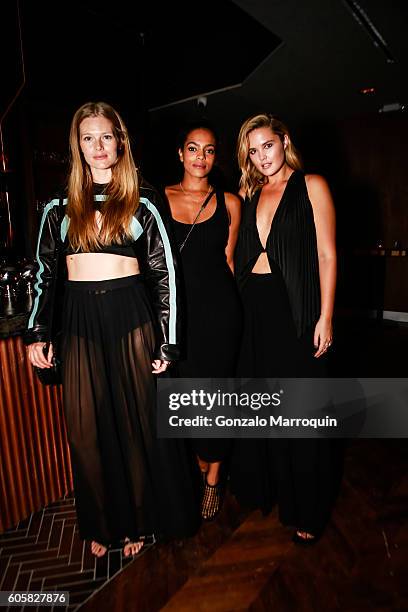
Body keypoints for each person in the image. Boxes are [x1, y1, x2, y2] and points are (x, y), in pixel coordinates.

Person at [25, 101, 199, 558]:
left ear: (120, 142)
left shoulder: (143, 202)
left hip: (132, 317)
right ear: (77, 146)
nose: (98, 146)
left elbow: (166, 274)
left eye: (106, 136)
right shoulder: (57, 208)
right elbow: (45, 275)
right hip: (79, 321)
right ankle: (102, 522)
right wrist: (37, 332)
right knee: (85, 431)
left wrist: (169, 338)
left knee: (134, 426)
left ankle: (139, 522)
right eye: (88, 138)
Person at [231, 113, 337, 543]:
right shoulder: (248, 192)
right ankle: (273, 492)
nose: (261, 157)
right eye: (252, 152)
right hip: (252, 310)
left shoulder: (312, 186)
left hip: (295, 310)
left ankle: (308, 510)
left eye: (267, 146)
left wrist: (325, 316)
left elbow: (328, 256)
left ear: (284, 140)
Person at [165, 121, 242, 520]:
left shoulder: (230, 202)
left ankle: (213, 477)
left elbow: (229, 263)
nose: (200, 157)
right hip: (178, 320)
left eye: (209, 150)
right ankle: (197, 467)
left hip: (220, 317)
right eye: (193, 149)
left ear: (216, 157)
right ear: (180, 153)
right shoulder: (158, 200)